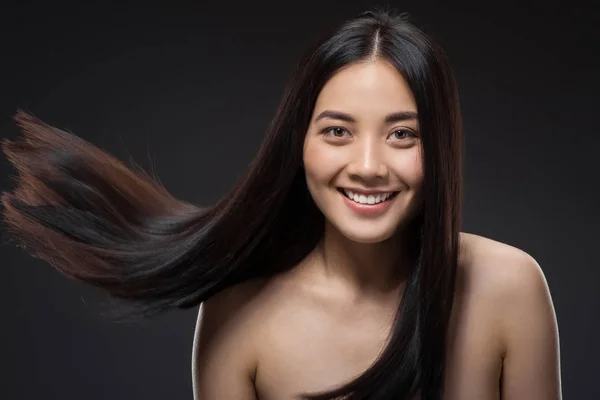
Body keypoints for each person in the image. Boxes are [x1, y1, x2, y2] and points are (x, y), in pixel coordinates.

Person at [1, 7, 561, 400]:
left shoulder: (509, 288)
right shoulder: (239, 318)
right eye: (338, 132)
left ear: (439, 148)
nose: (368, 165)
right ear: (299, 145)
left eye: (402, 135)